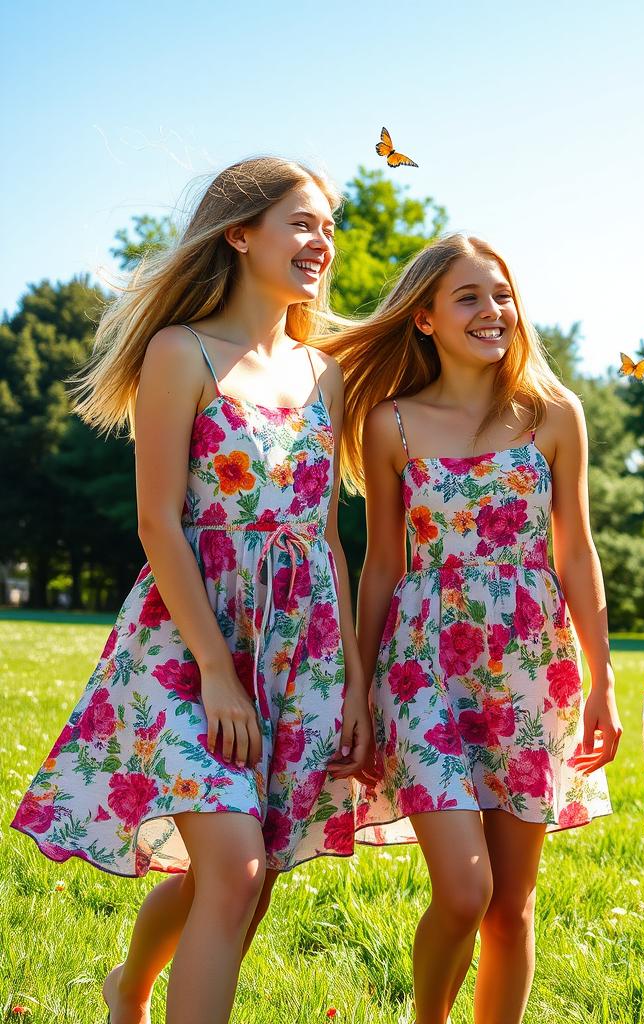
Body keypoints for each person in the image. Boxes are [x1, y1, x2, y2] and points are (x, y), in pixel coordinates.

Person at [11, 157, 371, 1024]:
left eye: (328, 225)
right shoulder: (181, 351)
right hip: (189, 634)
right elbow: (158, 522)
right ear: (240, 233)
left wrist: (353, 680)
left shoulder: (327, 374)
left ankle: (127, 991)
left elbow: (326, 537)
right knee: (237, 866)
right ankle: (135, 992)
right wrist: (215, 667)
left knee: (254, 875)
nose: (321, 241)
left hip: (300, 645)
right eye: (302, 222)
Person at [322, 233, 619, 1024]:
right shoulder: (392, 424)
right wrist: (358, 684)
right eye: (470, 298)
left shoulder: (554, 415)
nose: (494, 312)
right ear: (423, 318)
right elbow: (380, 565)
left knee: (511, 905)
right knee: (465, 890)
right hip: (423, 671)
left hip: (531, 670)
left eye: (502, 295)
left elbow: (576, 554)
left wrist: (602, 677)